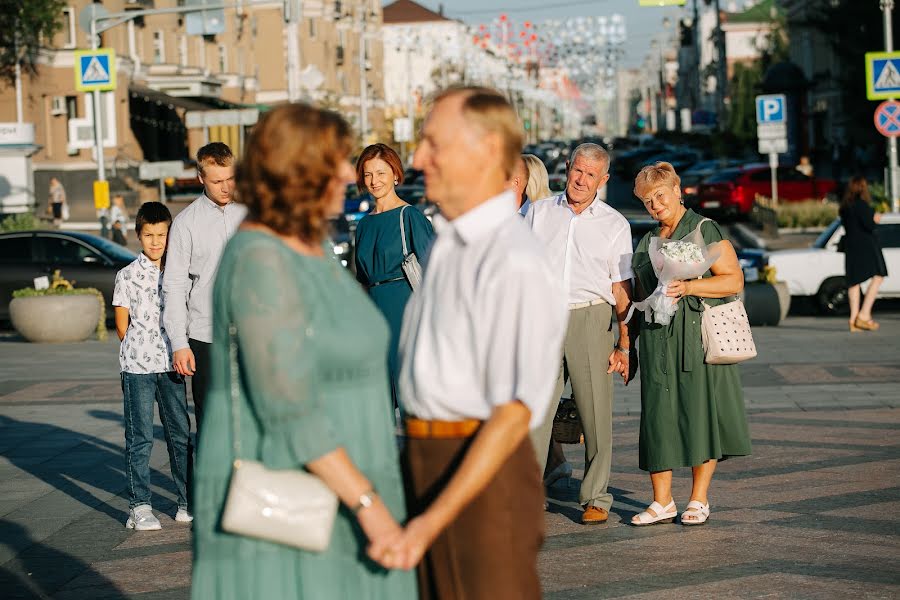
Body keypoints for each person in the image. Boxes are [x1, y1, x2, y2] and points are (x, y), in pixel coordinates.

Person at [191, 104, 416, 600]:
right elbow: (285, 401)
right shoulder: (259, 258)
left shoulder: (309, 247)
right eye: (334, 161)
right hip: (300, 499)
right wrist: (369, 506)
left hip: (345, 488)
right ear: (294, 168)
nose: (346, 173)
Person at [372, 87, 567, 598]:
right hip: (430, 461)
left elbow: (512, 414)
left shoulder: (511, 257)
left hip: (479, 476)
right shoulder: (450, 244)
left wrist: (430, 520)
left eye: (433, 144)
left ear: (483, 150)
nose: (416, 159)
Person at [630, 162, 751, 526]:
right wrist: (625, 340)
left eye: (660, 195)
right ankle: (662, 501)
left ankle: (698, 499)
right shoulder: (648, 240)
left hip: (694, 335)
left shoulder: (703, 228)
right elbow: (639, 292)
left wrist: (692, 286)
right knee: (657, 416)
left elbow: (733, 280)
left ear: (677, 191)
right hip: (656, 338)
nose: (655, 204)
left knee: (699, 412)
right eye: (648, 200)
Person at [524, 143, 635, 525]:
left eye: (591, 175)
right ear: (566, 169)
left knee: (594, 413)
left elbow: (621, 288)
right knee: (537, 412)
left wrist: (624, 343)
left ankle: (596, 497)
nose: (581, 180)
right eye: (577, 171)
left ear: (603, 180)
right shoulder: (536, 213)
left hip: (591, 319)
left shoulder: (615, 224)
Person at [112, 201, 192, 531]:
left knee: (180, 435)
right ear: (138, 236)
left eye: (162, 235)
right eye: (149, 235)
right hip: (138, 368)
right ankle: (139, 506)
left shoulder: (179, 274)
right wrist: (141, 350)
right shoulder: (127, 275)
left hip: (173, 364)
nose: (156, 242)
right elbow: (121, 325)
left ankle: (187, 502)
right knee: (141, 436)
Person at [163, 142, 246, 432]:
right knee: (212, 425)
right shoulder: (186, 223)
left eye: (230, 179)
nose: (226, 187)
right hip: (206, 336)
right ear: (201, 178)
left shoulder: (253, 214)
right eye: (217, 181)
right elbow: (173, 285)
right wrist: (179, 343)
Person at [354, 143, 434, 417]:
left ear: (396, 174)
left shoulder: (409, 217)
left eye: (380, 173)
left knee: (413, 402)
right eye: (367, 175)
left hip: (404, 313)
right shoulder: (363, 225)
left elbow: (434, 272)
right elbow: (361, 279)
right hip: (371, 318)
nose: (374, 181)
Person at [840, 176, 888, 332]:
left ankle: (853, 320)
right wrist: (876, 218)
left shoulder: (845, 206)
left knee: (854, 281)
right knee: (879, 276)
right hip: (866, 246)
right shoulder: (862, 205)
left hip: (851, 247)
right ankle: (864, 314)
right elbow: (869, 224)